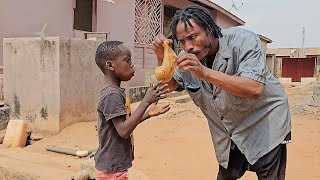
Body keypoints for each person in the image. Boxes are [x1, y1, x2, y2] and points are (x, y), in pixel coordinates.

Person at [153, 5, 291, 180]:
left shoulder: (243, 41)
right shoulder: (187, 57)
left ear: (209, 28)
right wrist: (161, 57)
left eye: (193, 37)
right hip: (229, 132)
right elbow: (169, 85)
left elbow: (254, 88)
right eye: (182, 41)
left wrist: (204, 72)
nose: (188, 46)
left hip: (264, 122)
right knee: (226, 175)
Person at [94, 41, 170, 180]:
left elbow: (124, 124)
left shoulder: (114, 92)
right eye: (127, 60)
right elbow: (123, 131)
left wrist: (148, 114)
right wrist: (146, 101)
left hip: (113, 166)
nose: (131, 65)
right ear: (110, 65)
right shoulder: (112, 95)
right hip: (112, 171)